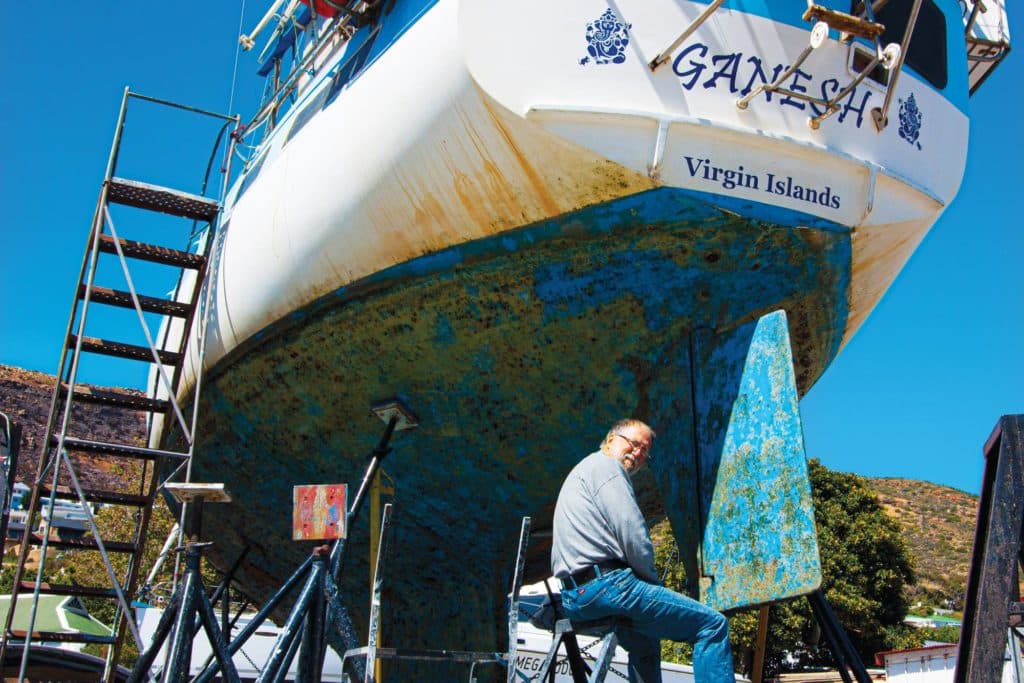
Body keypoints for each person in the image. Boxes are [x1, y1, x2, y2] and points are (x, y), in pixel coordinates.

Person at [551, 418, 734, 683]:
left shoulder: (583, 471)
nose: (638, 454)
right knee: (713, 625)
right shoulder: (607, 467)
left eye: (644, 451)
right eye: (634, 444)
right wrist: (653, 583)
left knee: (646, 645)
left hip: (575, 597)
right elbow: (632, 532)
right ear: (612, 439)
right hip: (608, 588)